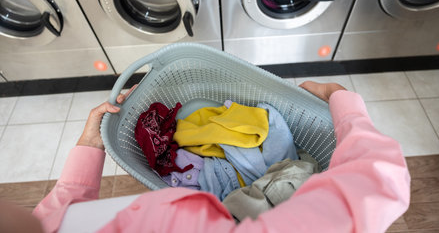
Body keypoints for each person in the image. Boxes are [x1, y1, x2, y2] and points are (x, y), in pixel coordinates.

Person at [0, 82, 411, 233]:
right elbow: (380, 184)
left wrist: (90, 144)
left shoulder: (44, 226)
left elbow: (57, 210)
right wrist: (342, 99)